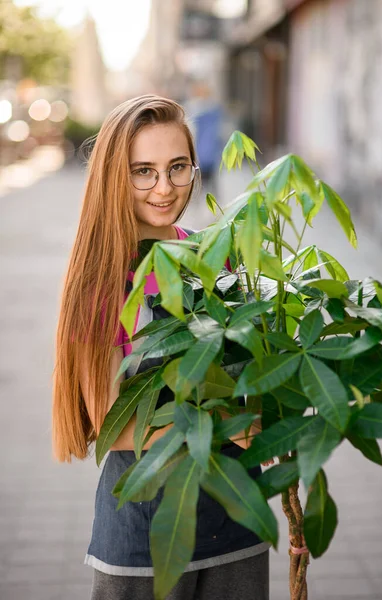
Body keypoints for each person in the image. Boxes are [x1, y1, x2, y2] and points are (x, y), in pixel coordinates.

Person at [52, 95, 270, 600]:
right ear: (114, 177)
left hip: (237, 518)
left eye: (177, 167)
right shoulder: (102, 281)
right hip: (145, 535)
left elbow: (250, 377)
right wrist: (225, 427)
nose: (165, 188)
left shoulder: (216, 254)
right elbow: (113, 424)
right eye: (142, 171)